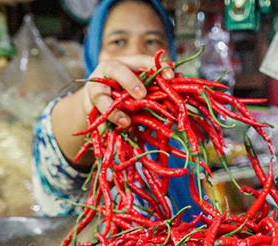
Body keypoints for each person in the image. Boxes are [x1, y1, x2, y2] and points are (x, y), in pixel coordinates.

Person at [31, 0, 199, 220]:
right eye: (118, 41)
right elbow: (56, 138)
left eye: (152, 41)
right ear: (94, 53)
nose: (135, 53)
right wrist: (90, 101)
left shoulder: (181, 138)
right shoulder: (80, 125)